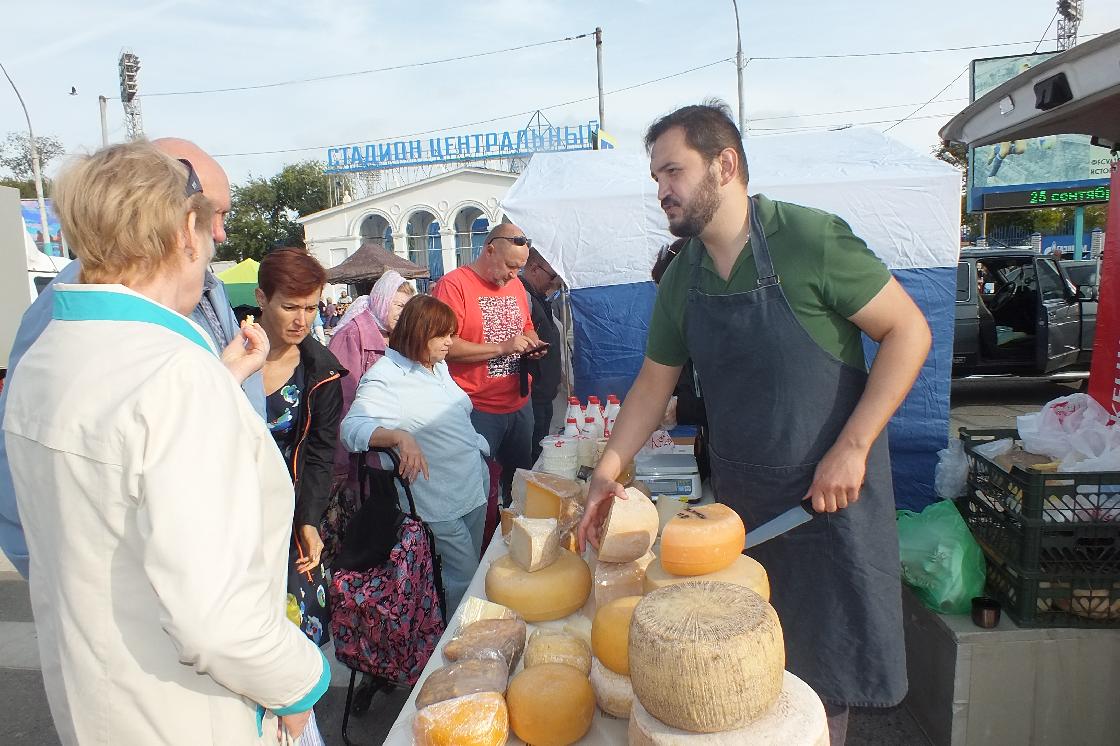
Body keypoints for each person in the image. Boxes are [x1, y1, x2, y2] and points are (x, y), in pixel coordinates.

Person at [577, 101, 931, 746]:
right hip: (744, 510)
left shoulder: (810, 238)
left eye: (673, 172)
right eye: (656, 177)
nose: (662, 191)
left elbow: (908, 330)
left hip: (830, 502)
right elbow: (653, 385)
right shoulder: (682, 278)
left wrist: (853, 446)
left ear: (726, 164)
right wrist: (606, 470)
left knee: (825, 683)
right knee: (743, 680)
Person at [3, 141, 328, 744]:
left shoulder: (48, 355)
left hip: (98, 704)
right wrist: (300, 681)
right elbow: (216, 621)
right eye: (212, 227)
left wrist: (220, 379)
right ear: (185, 229)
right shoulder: (175, 374)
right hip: (188, 714)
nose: (214, 246)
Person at [0, 137, 262, 579]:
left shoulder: (204, 293)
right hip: (169, 600)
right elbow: (21, 482)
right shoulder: (64, 314)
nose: (218, 234)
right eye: (211, 214)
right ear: (175, 219)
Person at [341, 295, 490, 613]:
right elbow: (351, 429)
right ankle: (454, 648)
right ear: (420, 332)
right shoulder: (387, 377)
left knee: (471, 570)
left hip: (472, 483)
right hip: (438, 500)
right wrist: (398, 436)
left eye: (452, 334)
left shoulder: (437, 367)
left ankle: (462, 636)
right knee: (463, 578)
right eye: (444, 335)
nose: (451, 342)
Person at [255, 248, 347, 646]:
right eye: (289, 306)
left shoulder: (322, 372)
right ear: (262, 298)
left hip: (286, 513)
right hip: (227, 512)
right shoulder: (223, 351)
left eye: (311, 308)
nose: (301, 320)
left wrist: (309, 520)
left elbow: (319, 455)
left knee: (298, 632)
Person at [431, 223, 545, 532]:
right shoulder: (453, 285)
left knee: (520, 487)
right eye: (510, 266)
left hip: (519, 404)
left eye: (520, 268)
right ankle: (478, 558)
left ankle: (517, 542)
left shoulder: (517, 287)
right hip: (475, 408)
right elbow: (442, 345)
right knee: (478, 492)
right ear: (489, 249)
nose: (513, 274)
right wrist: (501, 348)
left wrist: (531, 343)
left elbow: (527, 325)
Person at [323, 271, 414, 563]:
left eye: (406, 307)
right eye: (398, 306)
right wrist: (342, 463)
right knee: (364, 531)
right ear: (382, 301)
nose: (402, 314)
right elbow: (342, 401)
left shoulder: (393, 334)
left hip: (387, 450)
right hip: (362, 454)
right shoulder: (353, 333)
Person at [521, 249, 564, 463]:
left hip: (543, 393)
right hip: (532, 394)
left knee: (540, 453)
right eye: (552, 276)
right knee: (532, 457)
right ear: (534, 269)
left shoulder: (538, 298)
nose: (554, 282)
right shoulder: (524, 296)